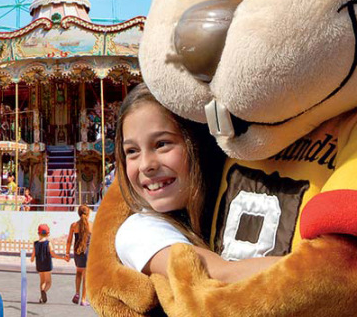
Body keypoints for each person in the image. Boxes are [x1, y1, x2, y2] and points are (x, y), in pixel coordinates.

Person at [115, 84, 281, 281]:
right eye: (132, 151)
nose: (145, 165)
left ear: (196, 143)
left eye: (161, 144)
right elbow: (219, 275)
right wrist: (318, 263)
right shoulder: (138, 231)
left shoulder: (226, 202)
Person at [30, 224, 67, 303]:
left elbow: (33, 254)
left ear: (38, 233)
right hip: (47, 264)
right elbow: (53, 254)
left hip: (39, 265)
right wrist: (62, 258)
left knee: (42, 281)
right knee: (49, 282)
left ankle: (41, 297)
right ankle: (44, 292)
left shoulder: (35, 243)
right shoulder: (48, 243)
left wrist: (32, 259)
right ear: (48, 234)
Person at [65, 205, 93, 306]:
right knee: (86, 276)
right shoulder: (92, 225)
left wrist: (67, 253)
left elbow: (69, 241)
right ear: (88, 214)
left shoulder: (73, 225)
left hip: (77, 252)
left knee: (78, 272)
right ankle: (83, 299)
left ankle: (77, 293)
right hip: (87, 252)